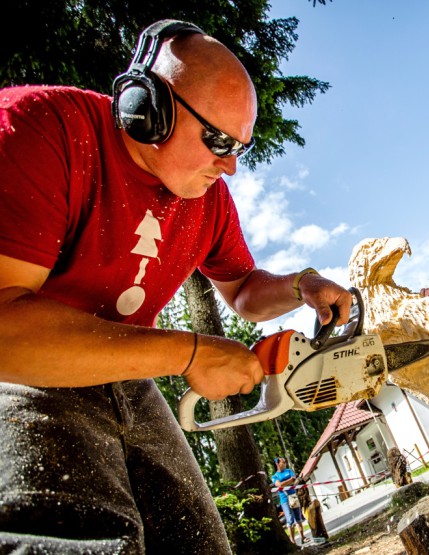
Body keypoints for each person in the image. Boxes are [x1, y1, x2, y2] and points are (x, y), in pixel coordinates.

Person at [0, 19, 351, 553]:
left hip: (129, 375)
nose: (230, 164)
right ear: (148, 108)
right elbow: (5, 330)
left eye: (240, 146)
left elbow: (244, 289)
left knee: (197, 542)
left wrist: (300, 285)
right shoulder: (43, 126)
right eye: (216, 139)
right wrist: (190, 353)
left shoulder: (206, 199)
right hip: (24, 371)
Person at [271, 457, 308, 544]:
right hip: (284, 499)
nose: (285, 463)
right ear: (277, 464)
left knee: (298, 517)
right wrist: (290, 480)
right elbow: (279, 485)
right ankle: (292, 541)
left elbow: (294, 481)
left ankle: (303, 537)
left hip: (293, 496)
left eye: (285, 462)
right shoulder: (274, 476)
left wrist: (287, 482)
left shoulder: (289, 471)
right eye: (283, 462)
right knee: (290, 520)